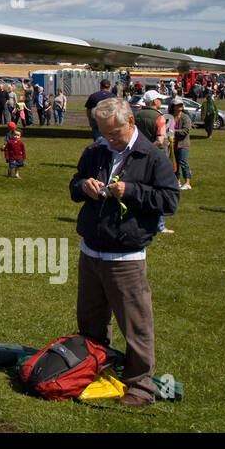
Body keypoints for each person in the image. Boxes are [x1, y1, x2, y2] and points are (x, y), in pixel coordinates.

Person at [69, 98, 179, 407]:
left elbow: (170, 201)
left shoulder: (153, 157)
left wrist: (131, 191)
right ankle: (94, 369)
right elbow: (73, 185)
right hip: (91, 252)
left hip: (126, 257)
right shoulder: (95, 152)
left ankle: (141, 386)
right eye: (103, 133)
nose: (109, 139)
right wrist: (83, 186)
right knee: (90, 320)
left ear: (130, 122)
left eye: (114, 133)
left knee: (135, 324)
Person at [168, 97, 192, 191]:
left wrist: (173, 131)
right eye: (178, 105)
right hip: (173, 143)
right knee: (175, 163)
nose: (180, 106)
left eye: (181, 105)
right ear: (173, 106)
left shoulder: (185, 117)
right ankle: (177, 181)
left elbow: (186, 131)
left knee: (183, 162)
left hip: (183, 144)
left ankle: (187, 182)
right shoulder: (170, 117)